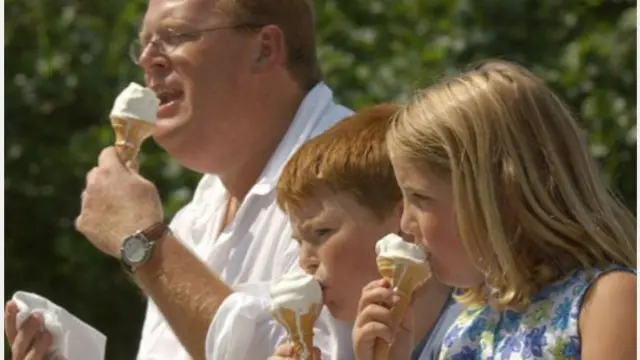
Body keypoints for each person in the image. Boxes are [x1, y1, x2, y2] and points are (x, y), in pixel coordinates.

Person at [4, 0, 354, 359]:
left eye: (175, 35)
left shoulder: (357, 181)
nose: (147, 59)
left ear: (264, 50)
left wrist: (145, 245)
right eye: (144, 44)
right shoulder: (199, 210)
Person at [353, 60, 637, 360]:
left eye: (419, 198)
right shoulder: (469, 321)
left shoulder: (609, 300)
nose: (406, 224)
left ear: (497, 196)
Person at [262, 103, 453, 360]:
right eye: (299, 243)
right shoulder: (350, 348)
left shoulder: (484, 336)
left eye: (322, 232)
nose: (305, 262)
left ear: (405, 219)